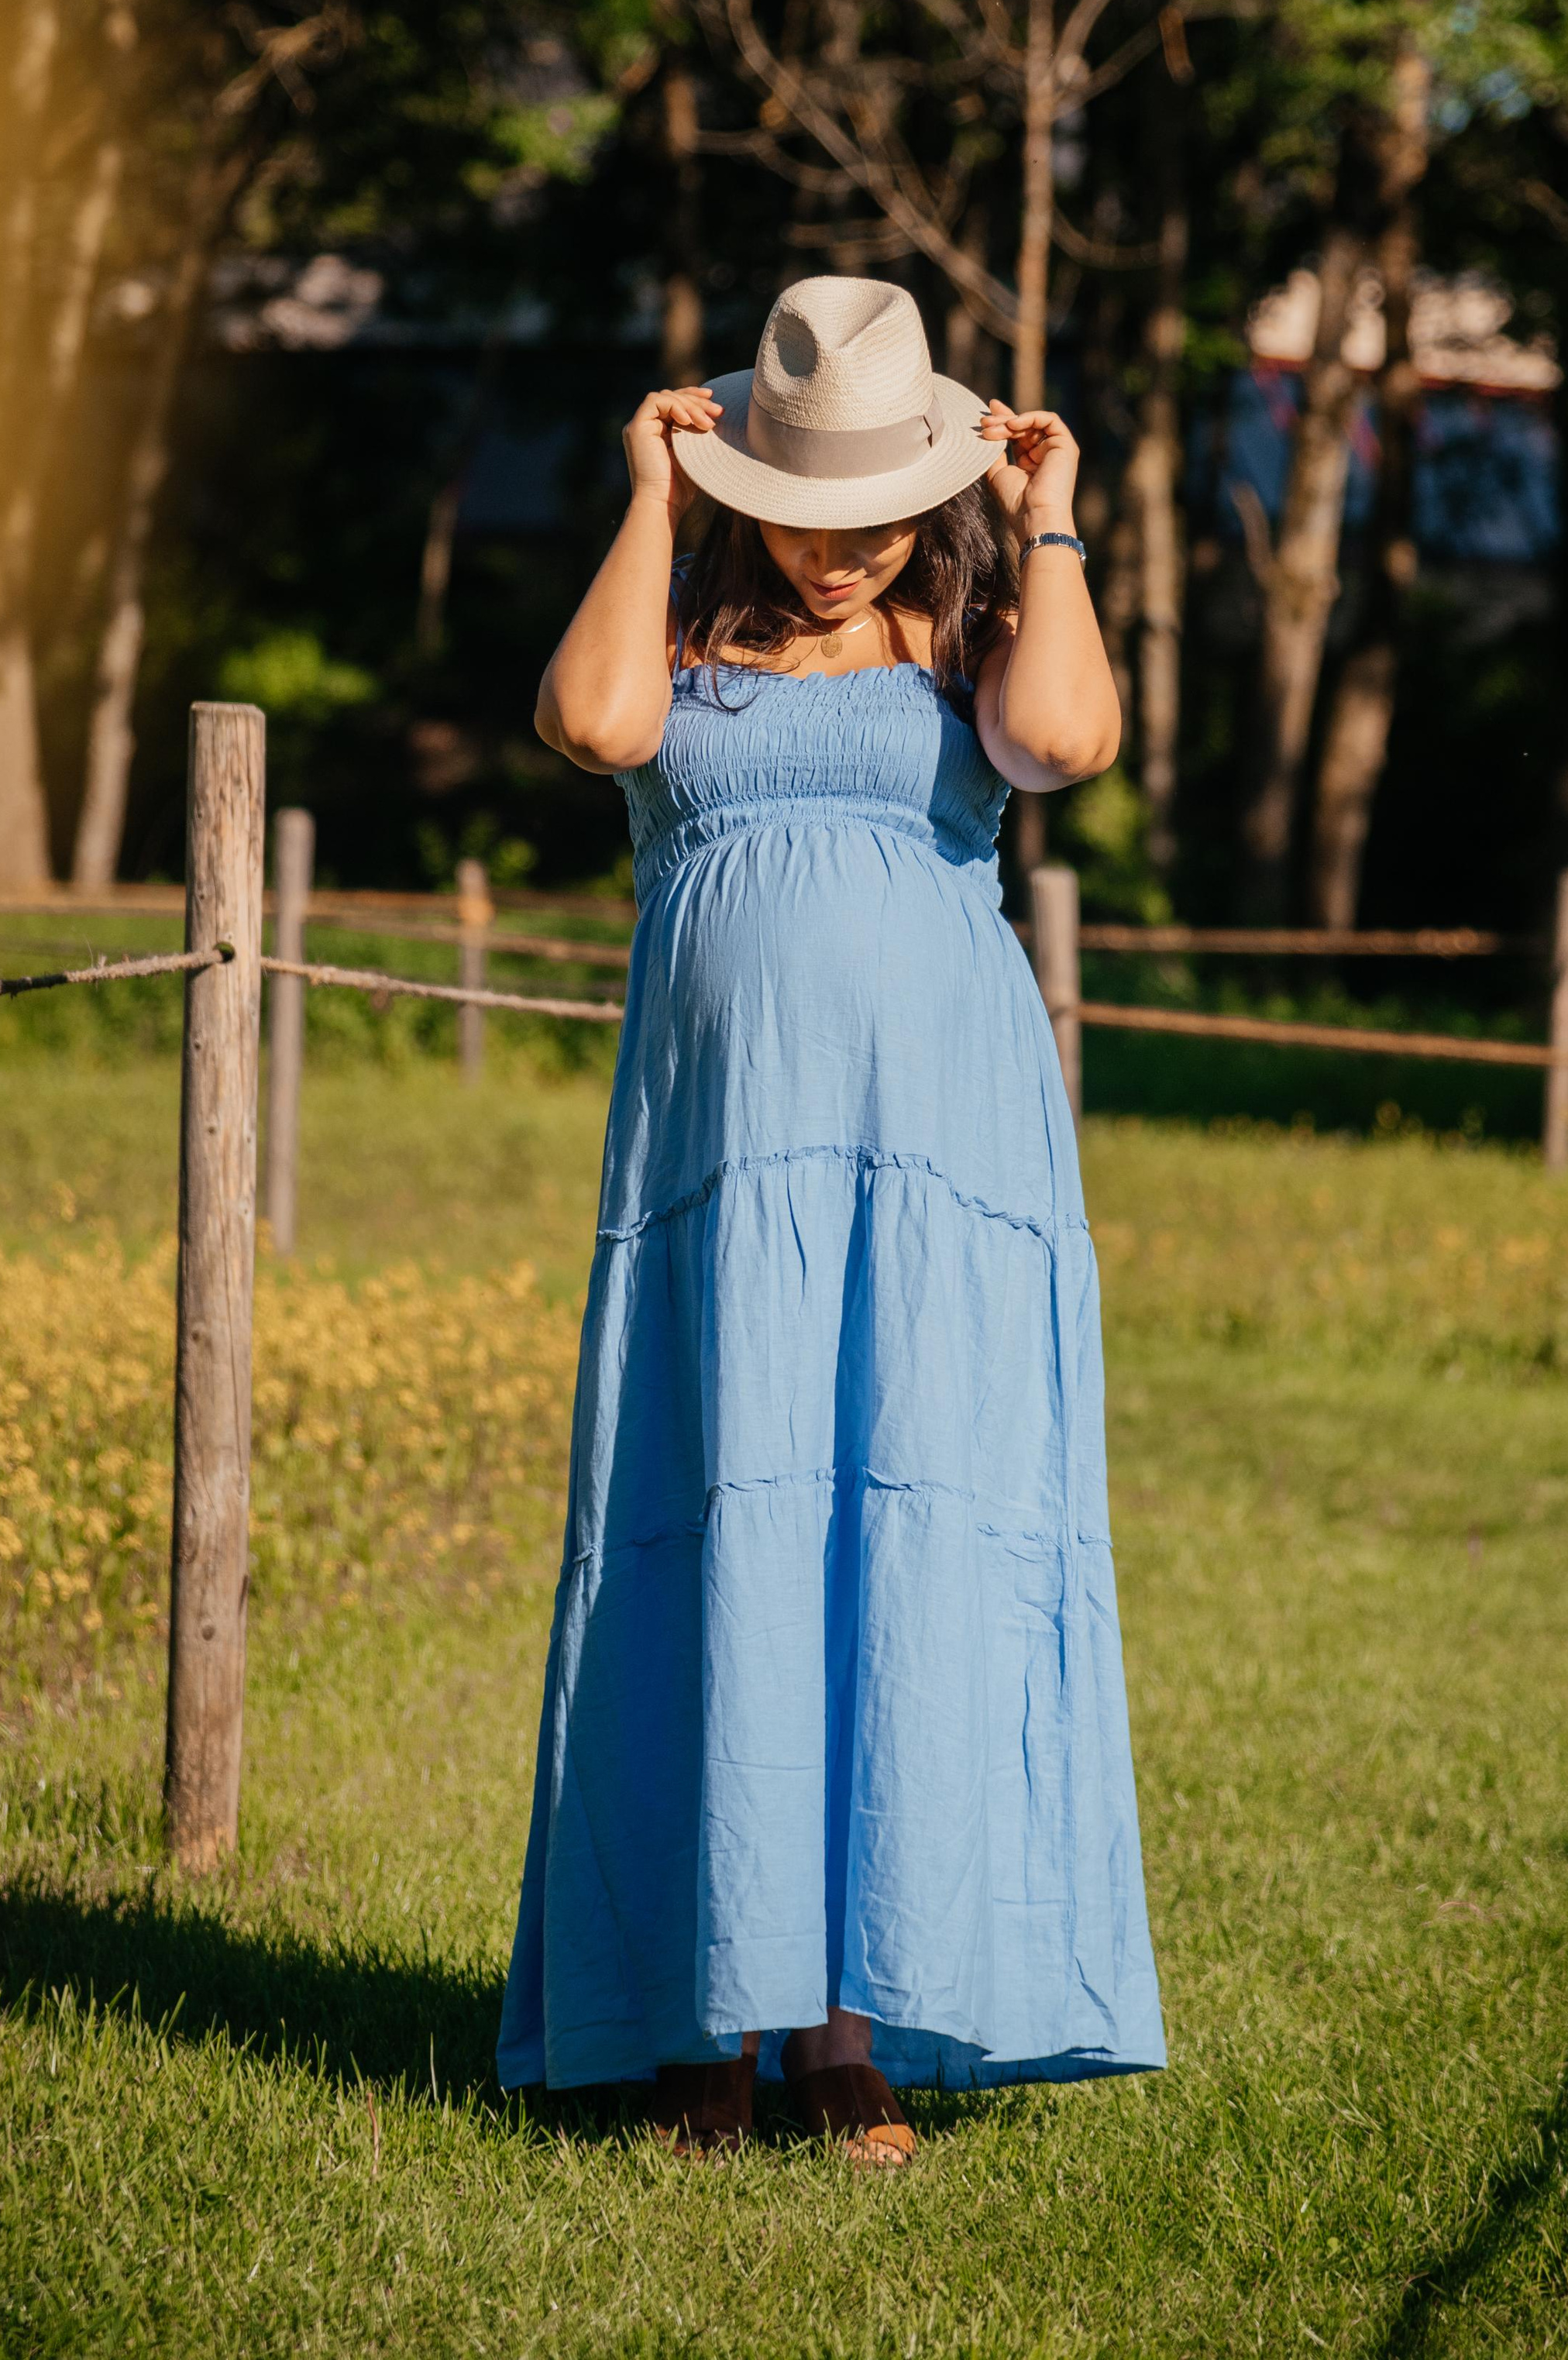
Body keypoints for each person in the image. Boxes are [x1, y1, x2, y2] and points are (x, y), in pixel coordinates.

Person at [497, 276, 1164, 2163]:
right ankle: (706, 2021)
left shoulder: (970, 632)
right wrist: (650, 494)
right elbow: (589, 716)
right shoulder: (687, 633)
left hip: (935, 1185)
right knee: (717, 1539)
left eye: (870, 512)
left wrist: (1045, 513)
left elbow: (1069, 745)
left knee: (893, 1551)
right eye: (803, 514)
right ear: (750, 491)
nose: (835, 549)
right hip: (724, 1185)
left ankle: (849, 2037)